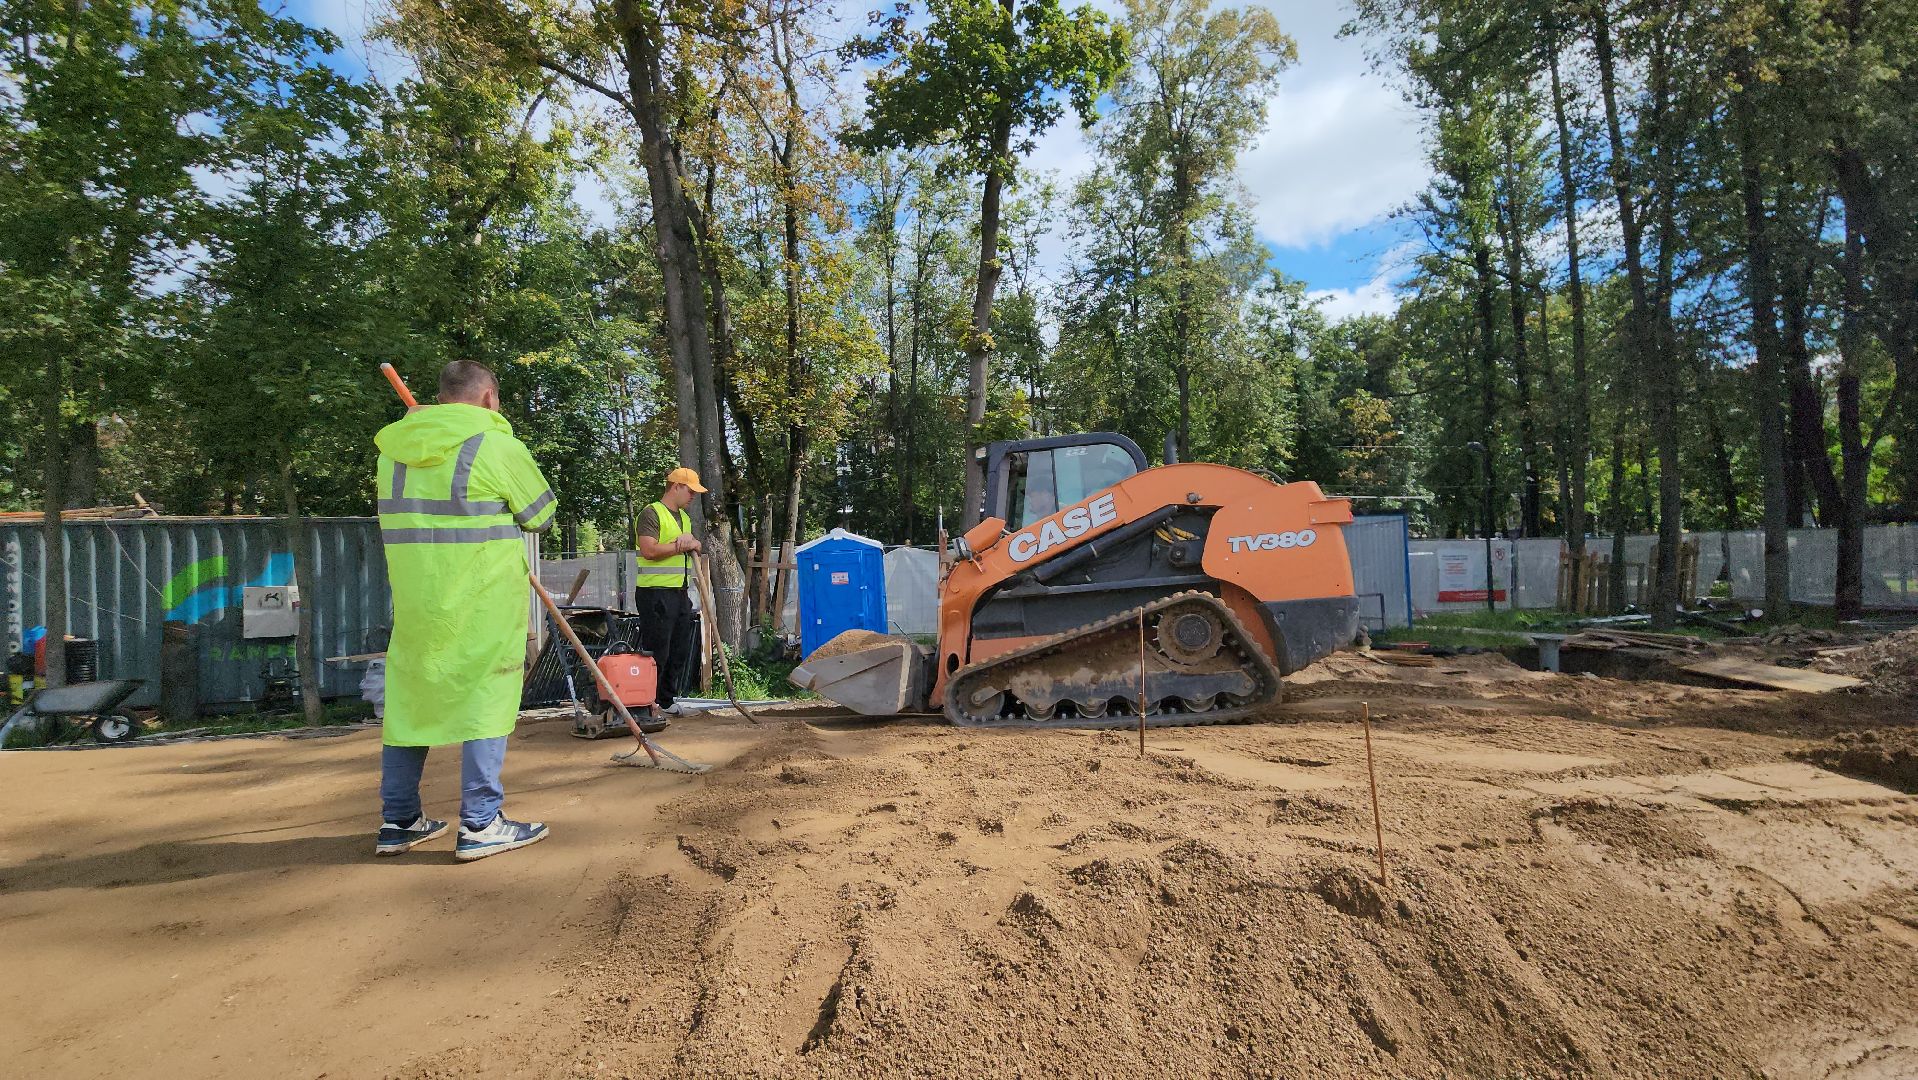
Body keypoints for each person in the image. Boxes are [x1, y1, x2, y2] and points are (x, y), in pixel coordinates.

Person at [373, 360, 559, 861]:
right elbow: (540, 515)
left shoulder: (394, 452)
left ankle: (399, 820)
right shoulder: (496, 445)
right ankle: (480, 823)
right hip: (481, 603)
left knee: (410, 706)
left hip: (417, 603)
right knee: (485, 702)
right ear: (489, 399)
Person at [634, 468, 705, 717]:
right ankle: (647, 701)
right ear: (676, 486)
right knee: (657, 651)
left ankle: (666, 699)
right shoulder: (651, 513)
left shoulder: (684, 518)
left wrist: (693, 544)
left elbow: (693, 544)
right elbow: (649, 550)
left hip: (679, 592)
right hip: (655, 593)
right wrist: (679, 546)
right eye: (690, 490)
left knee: (679, 649)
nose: (693, 496)